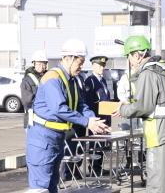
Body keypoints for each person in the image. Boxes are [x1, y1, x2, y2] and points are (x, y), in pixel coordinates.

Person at [26, 39, 111, 193]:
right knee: (41, 187)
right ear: (68, 59)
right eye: (80, 62)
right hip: (42, 139)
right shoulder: (53, 78)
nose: (81, 66)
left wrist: (93, 120)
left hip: (56, 138)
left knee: (52, 185)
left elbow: (81, 105)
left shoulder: (71, 80)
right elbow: (59, 109)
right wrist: (87, 122)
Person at [112, 35, 165, 193]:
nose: (130, 62)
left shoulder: (148, 73)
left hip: (161, 136)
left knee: (157, 188)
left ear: (137, 55)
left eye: (129, 57)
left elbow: (143, 107)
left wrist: (123, 109)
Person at [84, 56, 111, 176]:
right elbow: (89, 103)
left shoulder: (102, 81)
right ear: (93, 66)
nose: (102, 68)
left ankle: (99, 166)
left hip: (105, 117)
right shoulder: (90, 81)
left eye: (103, 66)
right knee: (95, 144)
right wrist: (93, 120)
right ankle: (94, 168)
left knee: (102, 144)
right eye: (100, 65)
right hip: (96, 118)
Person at [117, 68, 145, 168]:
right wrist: (125, 101)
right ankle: (129, 161)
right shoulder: (125, 77)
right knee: (129, 136)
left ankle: (142, 159)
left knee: (142, 135)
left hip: (141, 109)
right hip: (130, 109)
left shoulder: (144, 75)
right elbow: (120, 93)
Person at [62, 74, 87, 181]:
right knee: (70, 146)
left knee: (81, 146)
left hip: (82, 117)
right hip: (72, 119)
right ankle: (66, 172)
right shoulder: (66, 79)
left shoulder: (80, 78)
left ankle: (76, 169)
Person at [20, 50, 48, 131]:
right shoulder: (27, 79)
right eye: (39, 64)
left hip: (47, 118)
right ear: (34, 63)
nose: (41, 66)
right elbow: (27, 100)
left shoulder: (50, 77)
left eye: (44, 64)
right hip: (32, 119)